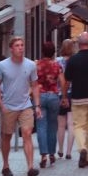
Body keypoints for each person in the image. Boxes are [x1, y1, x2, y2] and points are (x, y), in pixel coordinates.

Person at [0, 36, 41, 176]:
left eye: (22, 45)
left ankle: (30, 167)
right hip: (8, 105)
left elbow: (35, 85)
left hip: (25, 104)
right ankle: (5, 165)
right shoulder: (2, 65)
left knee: (27, 133)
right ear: (11, 49)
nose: (20, 48)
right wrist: (0, 105)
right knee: (7, 136)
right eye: (17, 45)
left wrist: (37, 105)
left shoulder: (30, 65)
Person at [59, 32, 88, 169]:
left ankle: (82, 148)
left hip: (77, 98)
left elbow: (67, 81)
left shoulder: (73, 60)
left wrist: (63, 97)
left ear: (79, 44)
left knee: (78, 126)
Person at [34, 40, 62, 168]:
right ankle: (52, 153)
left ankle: (43, 154)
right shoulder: (57, 65)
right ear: (53, 53)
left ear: (42, 51)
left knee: (41, 125)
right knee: (52, 125)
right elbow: (62, 81)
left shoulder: (36, 65)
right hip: (53, 96)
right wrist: (64, 96)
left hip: (39, 96)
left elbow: (32, 82)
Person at [56, 38, 77, 160]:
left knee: (60, 124)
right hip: (73, 93)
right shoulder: (75, 61)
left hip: (59, 93)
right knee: (71, 123)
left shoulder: (57, 61)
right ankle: (69, 151)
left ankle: (60, 149)